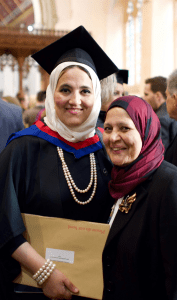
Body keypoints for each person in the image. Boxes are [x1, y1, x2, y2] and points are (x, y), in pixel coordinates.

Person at [0, 25, 118, 300]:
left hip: (94, 287)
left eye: (86, 91)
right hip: (32, 288)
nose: (75, 101)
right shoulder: (22, 148)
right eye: (65, 89)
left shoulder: (108, 150)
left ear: (96, 96)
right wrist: (44, 272)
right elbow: (3, 217)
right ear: (51, 93)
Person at [102, 95, 177, 300]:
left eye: (124, 128)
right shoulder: (119, 180)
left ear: (147, 132)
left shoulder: (174, 185)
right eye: (108, 128)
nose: (113, 137)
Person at [144, 76, 177, 150]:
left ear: (158, 96)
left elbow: (160, 153)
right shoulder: (173, 113)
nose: (143, 98)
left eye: (146, 94)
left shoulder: (160, 119)